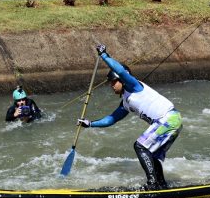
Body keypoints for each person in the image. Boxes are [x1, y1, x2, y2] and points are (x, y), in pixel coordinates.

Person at [77, 44, 182, 189]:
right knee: (152, 154)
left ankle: (152, 184)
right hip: (171, 121)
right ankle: (161, 185)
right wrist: (90, 124)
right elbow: (111, 119)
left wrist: (104, 55)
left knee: (140, 146)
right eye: (110, 83)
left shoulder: (134, 85)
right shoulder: (126, 103)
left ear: (122, 79)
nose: (112, 85)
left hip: (168, 119)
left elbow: (120, 70)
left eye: (114, 81)